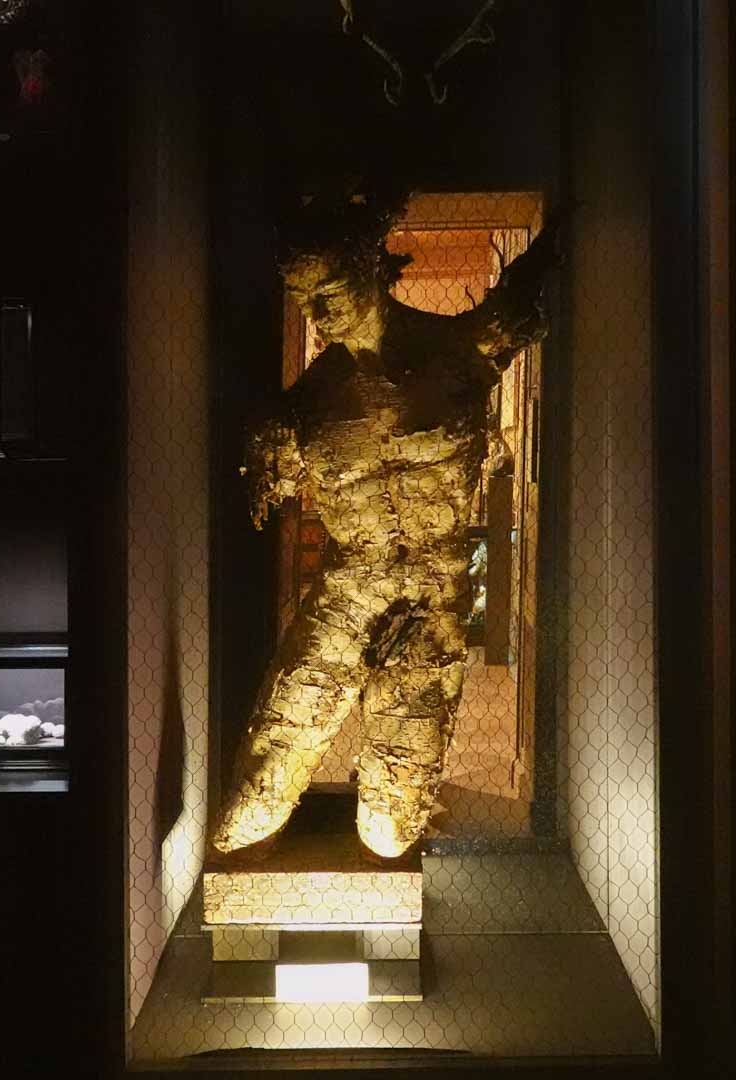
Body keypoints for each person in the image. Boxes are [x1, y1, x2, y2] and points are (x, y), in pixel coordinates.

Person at [214, 185, 563, 859]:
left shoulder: (460, 352)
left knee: (388, 829)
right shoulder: (303, 407)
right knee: (253, 799)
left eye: (330, 290)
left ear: (371, 269)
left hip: (433, 594)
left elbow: (519, 299)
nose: (320, 314)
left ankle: (390, 811)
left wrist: (556, 241)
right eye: (305, 300)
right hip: (348, 590)